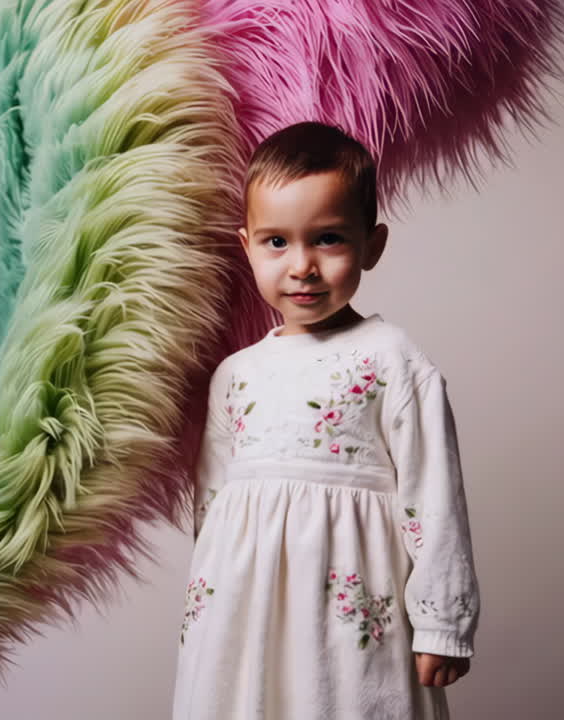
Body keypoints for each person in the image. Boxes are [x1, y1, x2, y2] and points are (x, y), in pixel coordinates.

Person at [172, 122, 480, 719]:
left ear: (372, 244)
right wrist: (211, 608)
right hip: (244, 603)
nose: (302, 266)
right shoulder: (235, 375)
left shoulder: (391, 359)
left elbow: (435, 495)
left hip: (354, 603)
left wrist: (444, 622)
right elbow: (211, 504)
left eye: (329, 239)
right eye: (277, 242)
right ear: (247, 246)